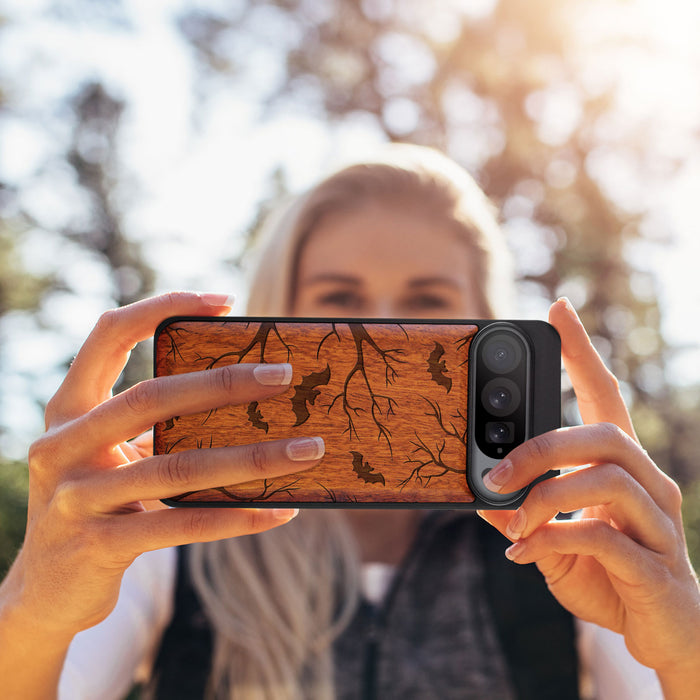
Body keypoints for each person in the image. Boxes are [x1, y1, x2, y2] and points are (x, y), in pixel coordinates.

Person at [0, 145, 698, 700]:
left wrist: (685, 648)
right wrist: (34, 607)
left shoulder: (567, 543)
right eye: (340, 300)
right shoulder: (171, 535)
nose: (383, 332)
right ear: (278, 315)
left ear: (488, 324)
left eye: (428, 302)